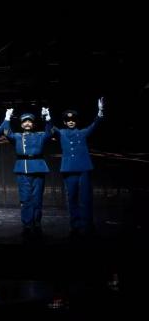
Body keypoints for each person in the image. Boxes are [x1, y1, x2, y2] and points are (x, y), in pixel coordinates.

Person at [52, 98, 104, 236]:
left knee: (86, 198)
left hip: (83, 168)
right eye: (68, 120)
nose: (71, 121)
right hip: (69, 169)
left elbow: (95, 124)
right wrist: (47, 118)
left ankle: (88, 224)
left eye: (73, 120)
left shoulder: (82, 132)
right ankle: (74, 225)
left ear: (76, 121)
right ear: (64, 122)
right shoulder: (61, 133)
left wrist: (100, 112)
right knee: (72, 198)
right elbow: (51, 128)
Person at [4, 110, 52, 236]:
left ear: (33, 124)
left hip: (38, 167)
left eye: (29, 121)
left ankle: (37, 223)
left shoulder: (40, 135)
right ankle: (27, 225)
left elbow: (49, 132)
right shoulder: (17, 136)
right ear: (21, 125)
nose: (27, 123)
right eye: (24, 122)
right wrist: (7, 118)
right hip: (23, 168)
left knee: (37, 199)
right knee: (25, 199)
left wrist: (47, 118)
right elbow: (7, 132)